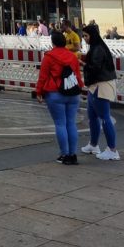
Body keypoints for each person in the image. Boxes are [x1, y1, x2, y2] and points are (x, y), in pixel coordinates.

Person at [35, 30, 83, 166]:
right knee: (71, 123)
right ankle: (73, 154)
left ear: (53, 42)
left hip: (55, 93)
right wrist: (80, 87)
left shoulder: (49, 57)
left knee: (60, 124)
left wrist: (39, 92)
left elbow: (43, 77)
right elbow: (78, 76)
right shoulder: (72, 57)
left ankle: (64, 154)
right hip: (73, 94)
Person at [80, 23, 120, 161]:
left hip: (101, 85)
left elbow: (95, 67)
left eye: (86, 36)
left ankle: (112, 149)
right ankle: (93, 144)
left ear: (92, 35)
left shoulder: (97, 49)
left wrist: (82, 63)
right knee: (93, 116)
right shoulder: (97, 47)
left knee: (104, 117)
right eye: (83, 36)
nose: (84, 38)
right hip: (97, 85)